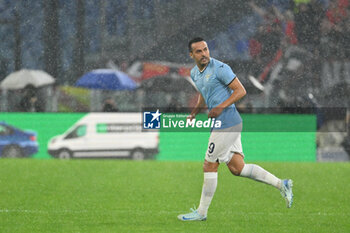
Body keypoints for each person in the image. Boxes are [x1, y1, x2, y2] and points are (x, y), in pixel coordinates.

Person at [177, 37, 293, 221]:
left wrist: (220, 107)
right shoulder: (194, 73)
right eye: (199, 51)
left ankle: (201, 213)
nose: (204, 53)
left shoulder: (220, 68)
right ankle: (282, 184)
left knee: (209, 164)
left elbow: (241, 90)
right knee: (237, 168)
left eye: (206, 49)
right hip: (221, 123)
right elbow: (203, 94)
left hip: (227, 122)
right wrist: (194, 113)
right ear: (191, 55)